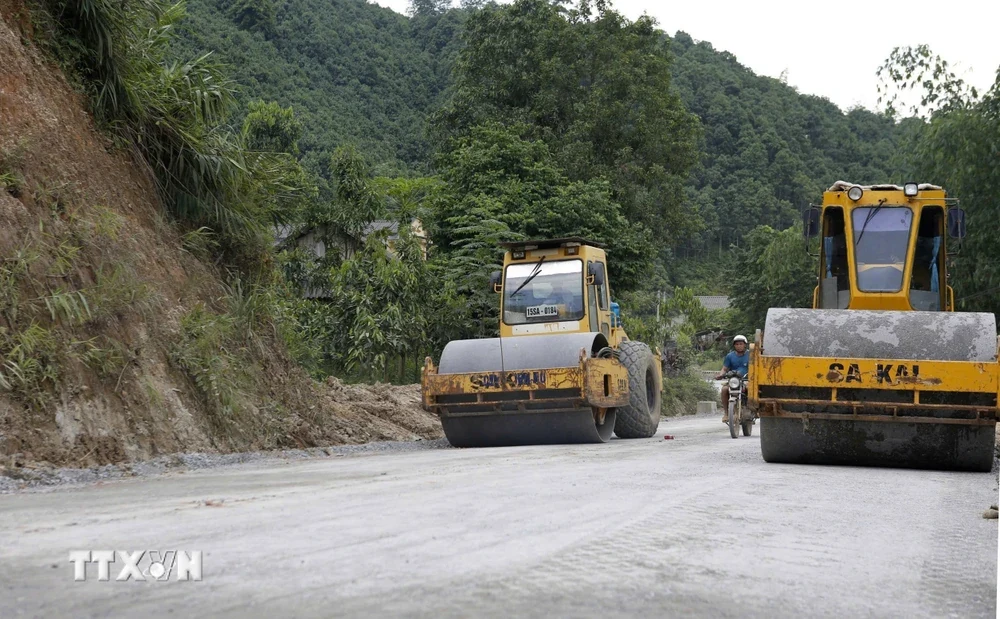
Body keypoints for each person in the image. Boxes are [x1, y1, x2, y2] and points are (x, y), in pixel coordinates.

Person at [715, 335, 749, 423]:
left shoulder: (750, 354)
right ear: (734, 345)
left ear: (745, 345)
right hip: (734, 380)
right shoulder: (730, 356)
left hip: (747, 380)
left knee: (751, 389)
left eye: (741, 344)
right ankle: (726, 413)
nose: (739, 346)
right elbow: (724, 369)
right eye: (737, 344)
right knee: (724, 389)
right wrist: (720, 375)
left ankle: (750, 409)